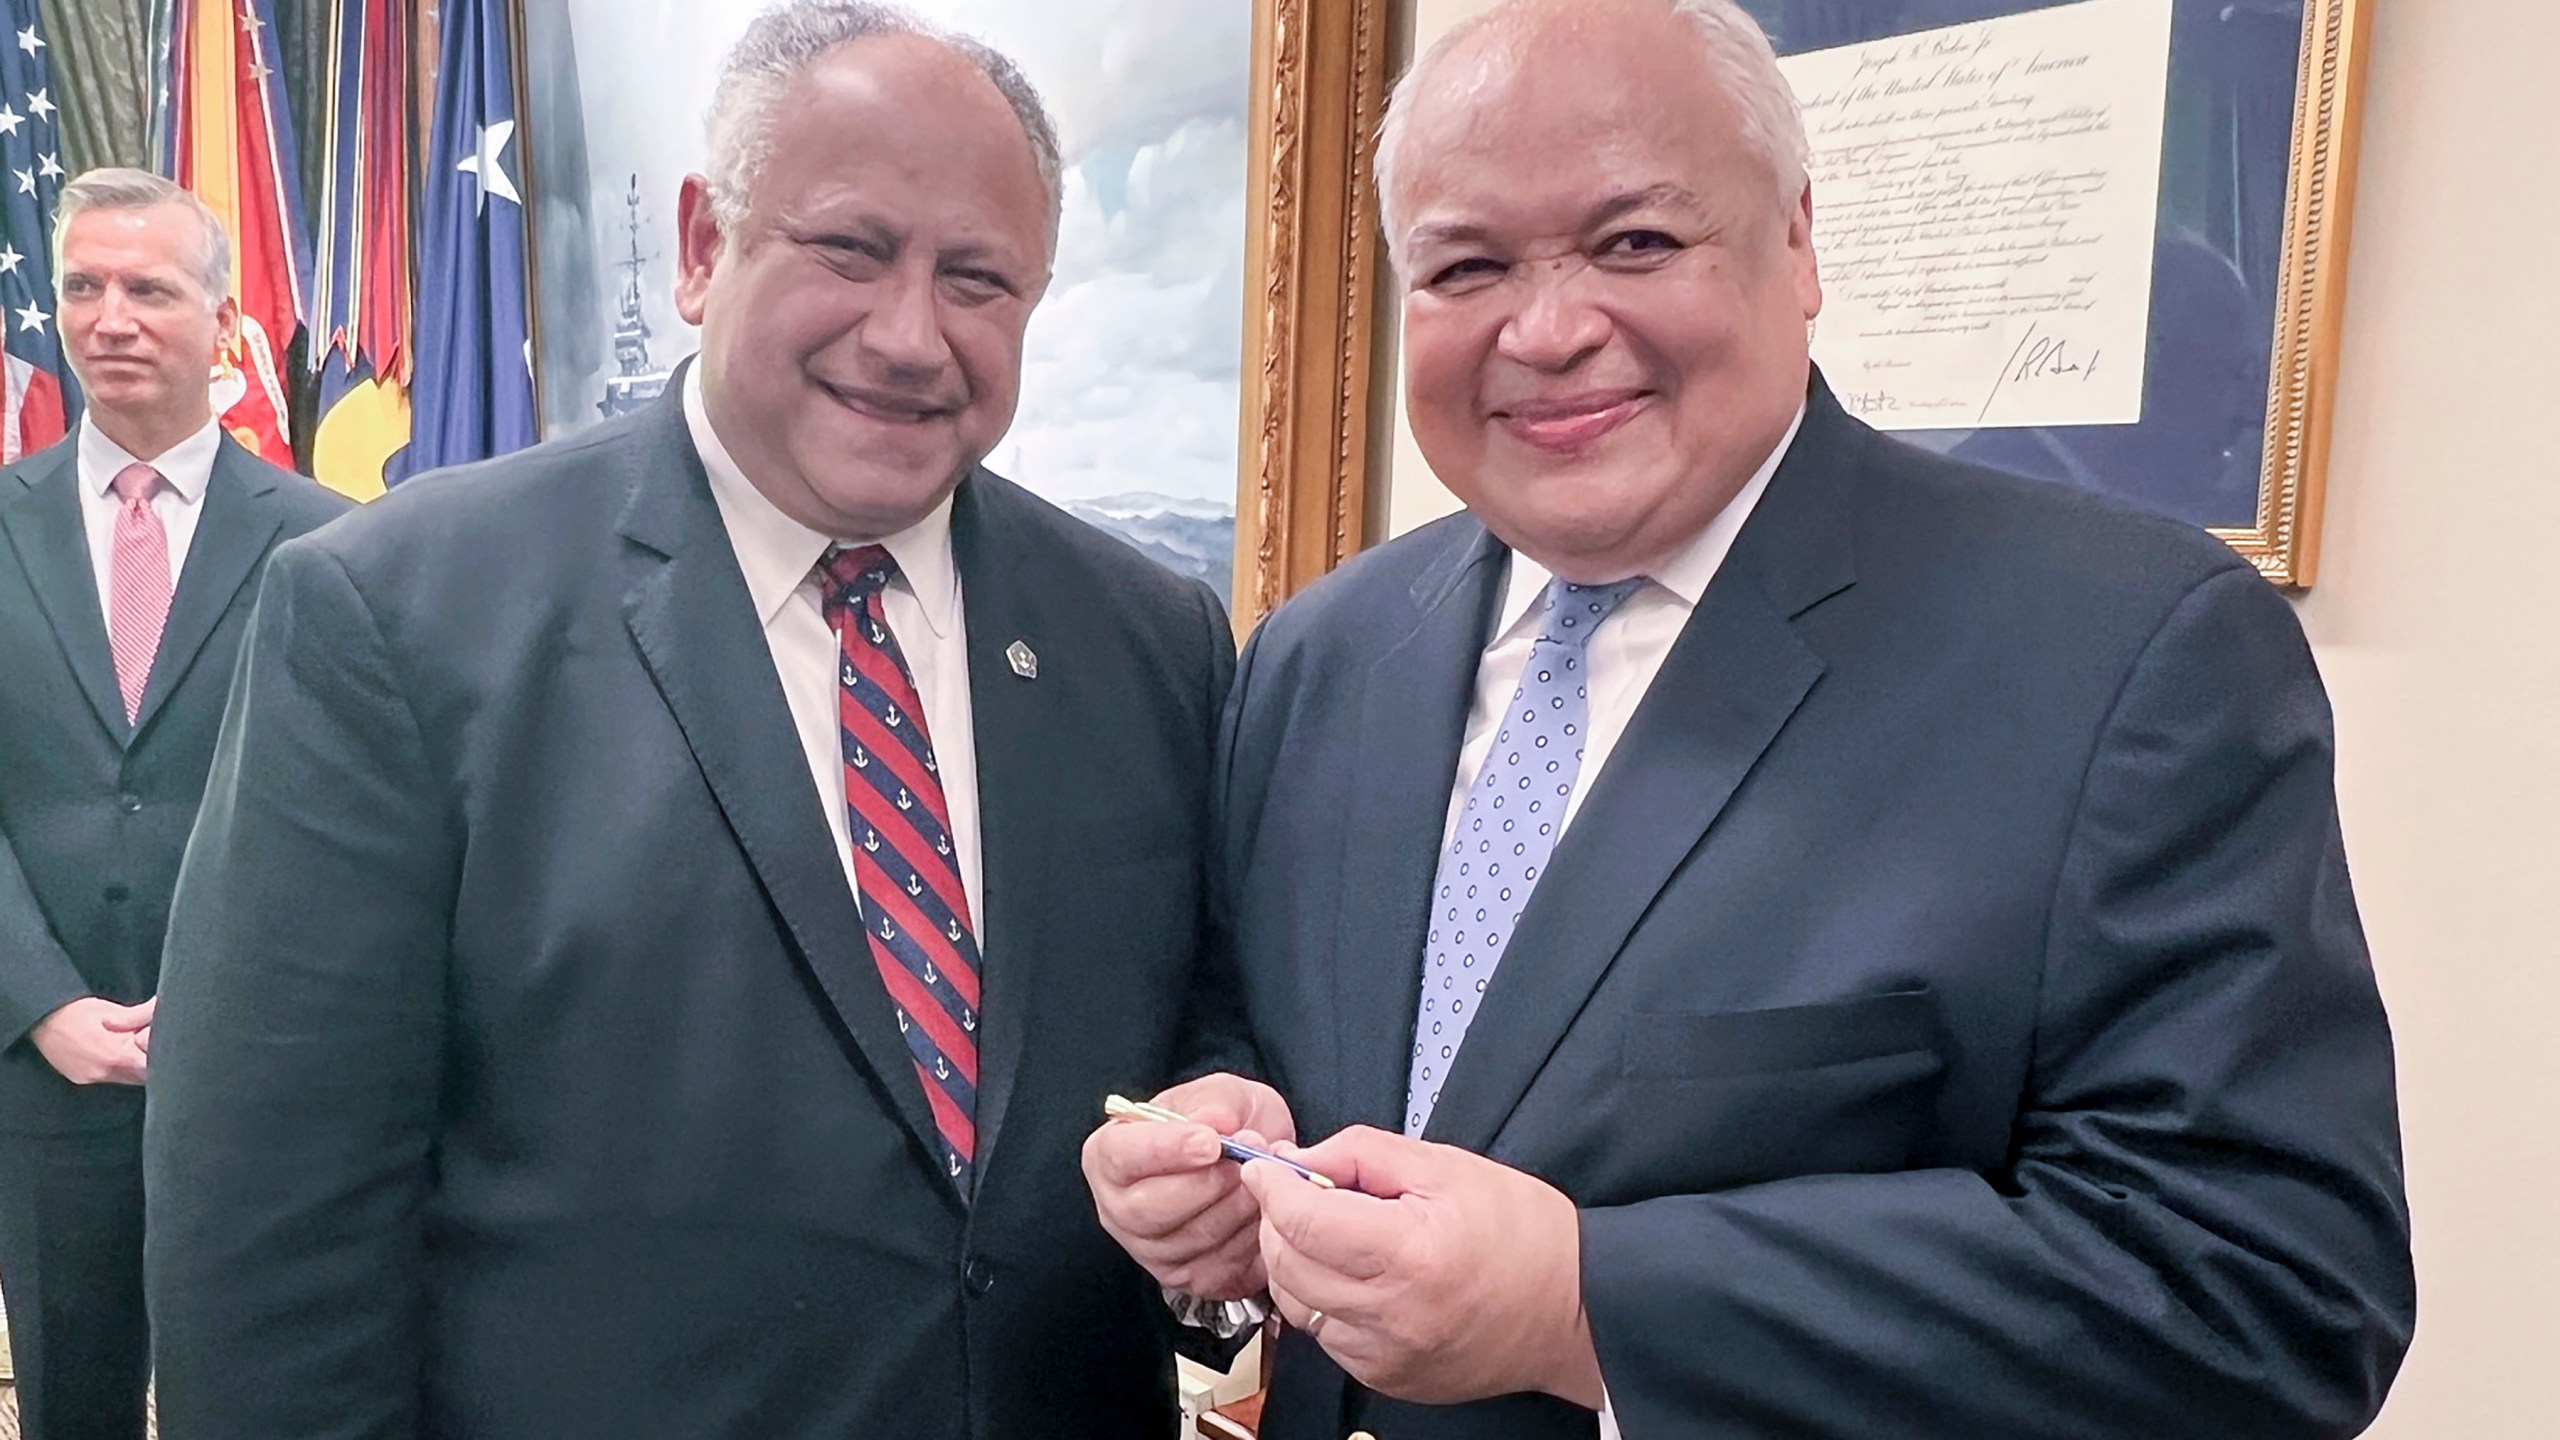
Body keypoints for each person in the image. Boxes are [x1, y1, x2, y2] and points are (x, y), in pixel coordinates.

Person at [1083, 1, 2414, 1436]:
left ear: (1797, 241)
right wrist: (1217, 1189)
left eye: (1636, 242)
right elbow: (1279, 1052)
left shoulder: (2129, 656)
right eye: (1467, 266)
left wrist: (1590, 1307)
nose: (1547, 327)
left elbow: (2264, 1296)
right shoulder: (1317, 655)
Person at [143, 5, 1232, 1437]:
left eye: (978, 280)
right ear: (705, 244)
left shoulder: (1146, 638)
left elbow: (1200, 1046)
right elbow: (268, 1236)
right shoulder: (397, 619)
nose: (912, 336)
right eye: (851, 248)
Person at [0, 168, 349, 1440]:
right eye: (83, 287)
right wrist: (41, 1006)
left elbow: (353, 813)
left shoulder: (335, 542)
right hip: (43, 1080)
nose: (110, 318)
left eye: (148, 288)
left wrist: (227, 1002)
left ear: (223, 318)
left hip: (259, 1070)